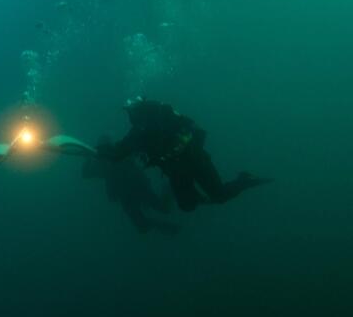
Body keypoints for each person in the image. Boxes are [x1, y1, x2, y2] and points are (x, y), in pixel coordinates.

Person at [97, 97, 271, 212]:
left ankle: (244, 180)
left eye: (130, 112)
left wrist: (101, 150)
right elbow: (198, 131)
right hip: (182, 168)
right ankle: (201, 195)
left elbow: (118, 153)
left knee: (218, 196)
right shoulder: (145, 127)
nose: (130, 116)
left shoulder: (149, 125)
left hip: (194, 161)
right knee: (189, 206)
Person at [82, 135, 179, 234]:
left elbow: (135, 153)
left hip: (139, 187)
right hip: (125, 197)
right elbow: (85, 173)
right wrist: (89, 156)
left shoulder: (119, 152)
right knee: (141, 225)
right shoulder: (100, 163)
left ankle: (170, 186)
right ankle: (165, 226)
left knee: (164, 209)